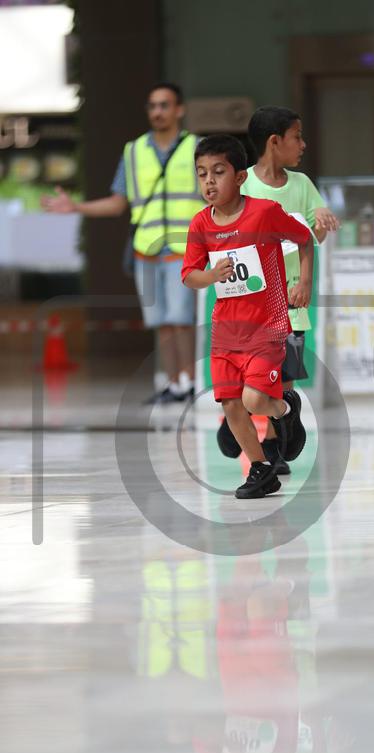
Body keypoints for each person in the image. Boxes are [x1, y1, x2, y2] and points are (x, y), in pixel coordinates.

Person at [42, 82, 203, 404]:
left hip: (184, 247)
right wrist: (76, 207)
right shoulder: (133, 151)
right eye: (152, 106)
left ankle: (190, 383)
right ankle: (174, 384)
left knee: (181, 319)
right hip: (147, 249)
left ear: (179, 110)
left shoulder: (197, 147)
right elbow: (118, 203)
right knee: (161, 322)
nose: (157, 112)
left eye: (164, 105)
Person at [182, 134, 314, 499]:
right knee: (230, 404)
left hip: (267, 328)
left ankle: (285, 410)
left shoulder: (264, 213)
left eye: (218, 172)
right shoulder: (200, 225)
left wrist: (304, 282)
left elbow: (304, 239)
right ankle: (260, 469)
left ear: (240, 177)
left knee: (255, 400)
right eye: (202, 174)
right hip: (225, 332)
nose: (209, 182)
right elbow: (189, 275)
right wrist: (211, 275)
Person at [216, 105, 339, 474]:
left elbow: (312, 238)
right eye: (296, 137)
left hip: (290, 303)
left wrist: (320, 225)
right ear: (274, 142)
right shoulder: (244, 186)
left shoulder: (302, 185)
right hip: (250, 306)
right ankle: (238, 415)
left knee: (281, 379)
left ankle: (272, 444)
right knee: (248, 377)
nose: (303, 144)